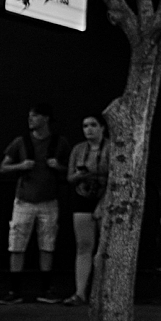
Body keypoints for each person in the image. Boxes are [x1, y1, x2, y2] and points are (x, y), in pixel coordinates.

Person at [0, 104, 70, 303]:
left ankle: (46, 289)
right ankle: (14, 291)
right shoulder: (20, 142)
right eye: (30, 116)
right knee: (17, 244)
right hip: (24, 201)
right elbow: (3, 167)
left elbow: (71, 169)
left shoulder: (59, 142)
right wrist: (20, 166)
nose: (31, 119)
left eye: (35, 116)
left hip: (49, 201)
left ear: (46, 118)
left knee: (47, 244)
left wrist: (59, 167)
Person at [66, 112, 111, 305]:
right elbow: (69, 177)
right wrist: (79, 176)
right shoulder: (78, 149)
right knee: (84, 246)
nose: (88, 129)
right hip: (83, 197)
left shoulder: (111, 148)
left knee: (105, 248)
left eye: (93, 125)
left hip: (106, 198)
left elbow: (116, 178)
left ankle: (105, 293)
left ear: (102, 128)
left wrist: (104, 203)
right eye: (85, 126)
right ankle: (80, 292)